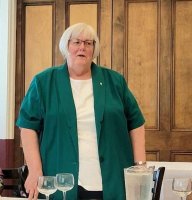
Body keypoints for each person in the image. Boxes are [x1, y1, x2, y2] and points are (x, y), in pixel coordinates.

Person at [16, 22, 146, 200]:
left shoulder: (115, 81)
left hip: (112, 179)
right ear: (66, 46)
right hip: (61, 181)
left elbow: (136, 124)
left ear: (94, 49)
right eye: (76, 42)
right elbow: (27, 126)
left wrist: (140, 168)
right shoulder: (44, 82)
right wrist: (35, 170)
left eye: (88, 43)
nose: (82, 47)